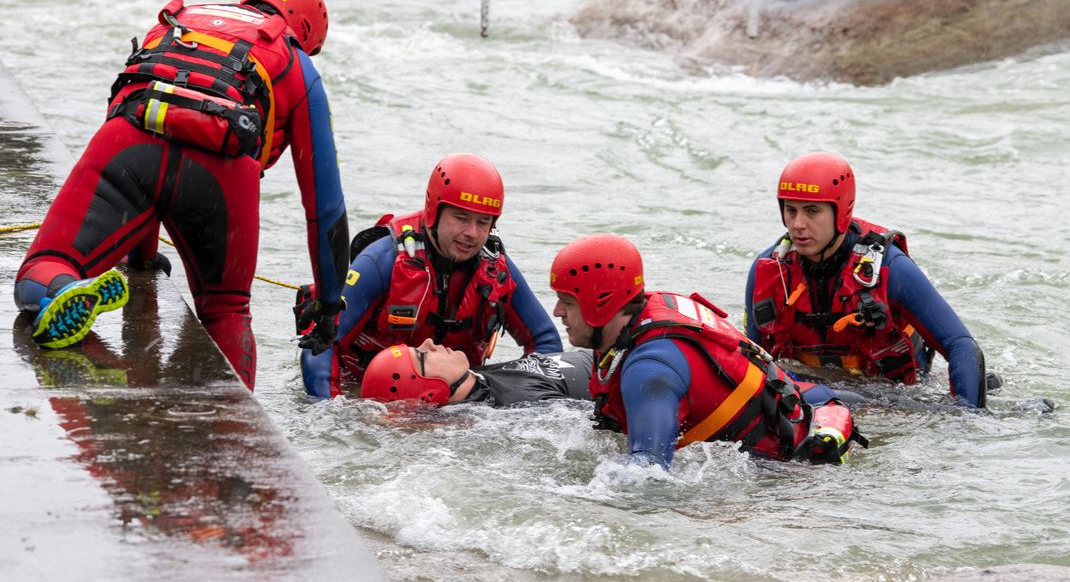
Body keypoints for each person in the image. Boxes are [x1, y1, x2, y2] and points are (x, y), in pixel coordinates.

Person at [14, 0, 349, 390]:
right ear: (305, 30)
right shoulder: (296, 62)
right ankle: (233, 423)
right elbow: (324, 205)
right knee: (227, 311)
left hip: (132, 140)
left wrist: (142, 259)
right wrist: (329, 306)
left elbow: (125, 98)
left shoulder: (177, 21)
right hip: (223, 172)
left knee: (42, 266)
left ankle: (58, 289)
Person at [549, 233, 865, 469]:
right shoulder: (640, 323)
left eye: (568, 301)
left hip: (792, 471)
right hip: (806, 402)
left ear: (600, 303)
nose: (557, 311)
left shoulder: (649, 369)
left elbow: (648, 476)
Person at [300, 153, 562, 398]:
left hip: (449, 402)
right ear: (434, 210)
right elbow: (322, 345)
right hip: (370, 396)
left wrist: (519, 401)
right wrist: (334, 414)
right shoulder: (380, 260)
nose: (472, 233)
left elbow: (546, 343)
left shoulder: (496, 267)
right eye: (461, 218)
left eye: (483, 222)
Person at [744, 152, 987, 408]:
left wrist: (966, 419)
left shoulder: (891, 269)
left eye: (812, 211)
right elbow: (755, 361)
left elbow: (961, 345)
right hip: (813, 394)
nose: (798, 224)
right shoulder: (769, 271)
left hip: (897, 398)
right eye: (790, 211)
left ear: (841, 211)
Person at [359, 340, 591, 406]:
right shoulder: (517, 405)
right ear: (429, 393)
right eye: (422, 355)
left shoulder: (478, 377)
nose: (429, 342)